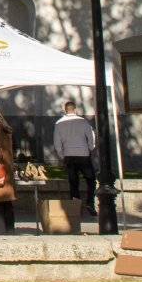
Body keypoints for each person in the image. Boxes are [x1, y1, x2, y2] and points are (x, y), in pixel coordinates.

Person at [53, 99, 96, 231]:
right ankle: (90, 202)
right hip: (83, 154)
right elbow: (91, 137)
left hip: (69, 155)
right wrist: (90, 148)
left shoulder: (59, 123)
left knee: (73, 181)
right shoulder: (83, 122)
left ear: (65, 110)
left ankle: (75, 206)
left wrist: (62, 155)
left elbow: (57, 142)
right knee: (91, 179)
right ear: (75, 109)